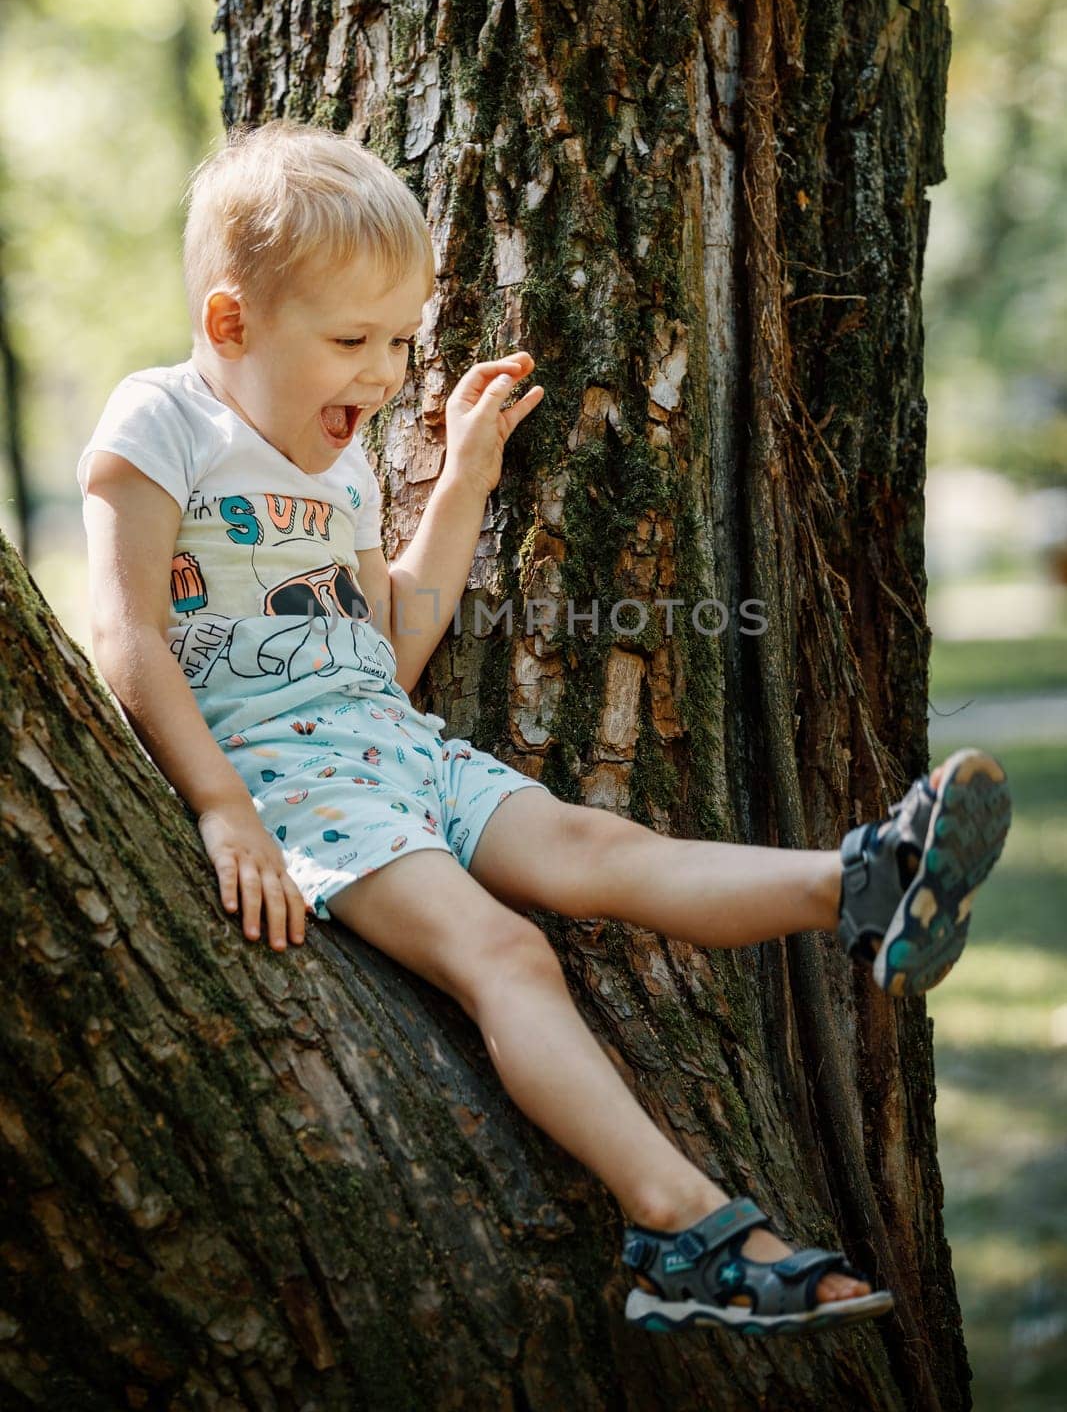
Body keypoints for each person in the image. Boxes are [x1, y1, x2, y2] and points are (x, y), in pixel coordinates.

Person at [77, 118, 1012, 1339]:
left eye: (400, 342)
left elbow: (390, 642)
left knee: (596, 848)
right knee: (509, 952)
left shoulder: (345, 468)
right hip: (290, 785)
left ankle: (867, 885)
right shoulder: (160, 422)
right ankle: (681, 1221)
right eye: (351, 340)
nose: (380, 375)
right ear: (229, 323)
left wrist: (458, 479)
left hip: (391, 743)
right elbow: (127, 639)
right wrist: (222, 806)